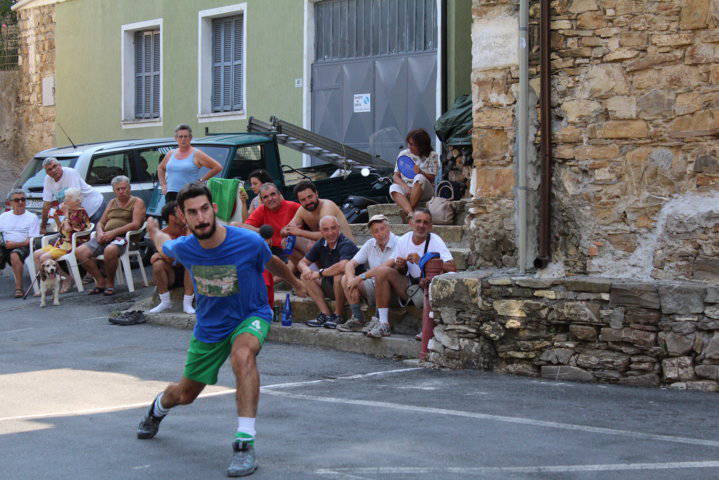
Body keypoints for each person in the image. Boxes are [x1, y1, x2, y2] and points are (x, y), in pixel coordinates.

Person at [136, 182, 306, 478]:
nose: (200, 217)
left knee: (243, 356)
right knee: (185, 394)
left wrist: (297, 283)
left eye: (204, 209)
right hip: (211, 327)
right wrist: (152, 230)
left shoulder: (246, 241)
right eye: (192, 212)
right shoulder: (185, 248)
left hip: (250, 314)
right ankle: (157, 409)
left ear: (213, 209)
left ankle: (244, 443)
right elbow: (163, 243)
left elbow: (273, 262)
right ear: (183, 216)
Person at [369, 208, 455, 338]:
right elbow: (401, 272)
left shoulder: (435, 240)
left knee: (438, 281)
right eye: (418, 221)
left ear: (430, 226)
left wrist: (422, 261)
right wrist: (401, 266)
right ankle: (383, 323)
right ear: (411, 223)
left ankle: (427, 327)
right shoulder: (404, 240)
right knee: (382, 271)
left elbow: (452, 268)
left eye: (426, 222)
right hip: (411, 288)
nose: (421, 225)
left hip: (430, 287)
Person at [75, 176, 146, 296]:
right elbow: (101, 222)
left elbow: (135, 224)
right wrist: (100, 233)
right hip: (106, 236)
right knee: (80, 252)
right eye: (118, 189)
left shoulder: (137, 202)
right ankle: (100, 281)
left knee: (110, 250)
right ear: (114, 190)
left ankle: (110, 283)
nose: (121, 191)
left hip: (124, 238)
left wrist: (113, 233)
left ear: (129, 188)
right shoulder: (112, 202)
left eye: (124, 188)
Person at [337, 214, 399, 332]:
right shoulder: (371, 243)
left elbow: (384, 267)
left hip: (393, 290)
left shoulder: (399, 242)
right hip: (373, 286)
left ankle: (378, 320)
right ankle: (358, 319)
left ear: (388, 228)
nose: (380, 233)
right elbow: (350, 264)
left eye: (382, 228)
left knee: (382, 275)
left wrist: (360, 278)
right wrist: (351, 281)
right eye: (376, 231)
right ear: (372, 234)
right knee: (345, 278)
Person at [298, 215, 360, 329]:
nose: (330, 232)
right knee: (305, 276)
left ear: (339, 228)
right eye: (326, 229)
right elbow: (301, 263)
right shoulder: (321, 242)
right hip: (330, 285)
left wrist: (320, 273)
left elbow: (342, 266)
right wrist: (306, 269)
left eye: (333, 228)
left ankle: (338, 315)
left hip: (351, 288)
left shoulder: (346, 243)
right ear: (320, 231)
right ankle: (326, 314)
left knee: (338, 276)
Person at [33, 187, 91, 294]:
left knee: (44, 257)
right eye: (66, 197)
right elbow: (63, 230)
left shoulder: (80, 212)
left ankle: (66, 278)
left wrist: (65, 214)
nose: (65, 200)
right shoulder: (70, 211)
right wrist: (56, 218)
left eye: (68, 198)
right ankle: (45, 283)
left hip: (72, 245)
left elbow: (69, 229)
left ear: (77, 201)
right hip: (61, 244)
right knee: (36, 254)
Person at [280, 180, 354, 261]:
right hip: (324, 249)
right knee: (286, 242)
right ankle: (306, 269)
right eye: (303, 200)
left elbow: (328, 235)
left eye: (310, 197)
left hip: (342, 250)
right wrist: (285, 231)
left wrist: (299, 232)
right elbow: (287, 229)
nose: (308, 201)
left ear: (316, 194)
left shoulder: (327, 206)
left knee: (311, 246)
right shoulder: (302, 210)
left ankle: (312, 270)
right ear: (299, 201)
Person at [147, 201, 195, 314]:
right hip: (170, 275)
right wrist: (162, 255)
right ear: (172, 217)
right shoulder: (161, 234)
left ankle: (187, 303)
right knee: (157, 264)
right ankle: (165, 301)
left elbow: (189, 251)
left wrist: (162, 255)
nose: (185, 215)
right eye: (181, 213)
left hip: (190, 274)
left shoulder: (190, 230)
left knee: (190, 261)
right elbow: (161, 259)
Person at [158, 124, 223, 202]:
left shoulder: (196, 154)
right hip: (170, 195)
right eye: (180, 136)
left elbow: (218, 167)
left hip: (188, 194)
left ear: (190, 138)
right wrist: (163, 185)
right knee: (171, 214)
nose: (183, 139)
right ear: (176, 138)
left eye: (186, 136)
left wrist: (201, 180)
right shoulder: (171, 153)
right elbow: (160, 168)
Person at [39, 157, 105, 235]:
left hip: (95, 207)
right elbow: (46, 204)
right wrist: (43, 226)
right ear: (46, 172)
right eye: (49, 169)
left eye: (55, 166)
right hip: (78, 213)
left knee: (95, 238)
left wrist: (59, 209)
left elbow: (75, 199)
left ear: (60, 165)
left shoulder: (71, 173)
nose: (53, 170)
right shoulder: (48, 180)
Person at [239, 183, 300, 265]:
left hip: (293, 248)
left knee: (278, 277)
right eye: (265, 197)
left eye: (273, 194)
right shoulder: (261, 210)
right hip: (272, 250)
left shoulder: (293, 206)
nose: (270, 199)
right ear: (262, 200)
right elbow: (241, 227)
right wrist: (262, 233)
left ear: (279, 194)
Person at [389, 129, 439, 220]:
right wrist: (406, 187)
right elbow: (396, 176)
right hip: (407, 189)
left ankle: (409, 209)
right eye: (409, 143)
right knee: (393, 187)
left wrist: (421, 172)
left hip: (424, 190)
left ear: (421, 145)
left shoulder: (432, 155)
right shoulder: (403, 154)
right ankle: (411, 213)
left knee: (419, 177)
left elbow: (432, 178)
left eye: (412, 144)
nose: (409, 147)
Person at [0, 189, 40, 297]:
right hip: (5, 245)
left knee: (15, 255)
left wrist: (13, 245)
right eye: (17, 200)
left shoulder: (32, 217)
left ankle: (19, 288)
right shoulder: (3, 217)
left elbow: (31, 240)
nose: (20, 202)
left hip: (24, 246)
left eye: (23, 199)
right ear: (10, 203)